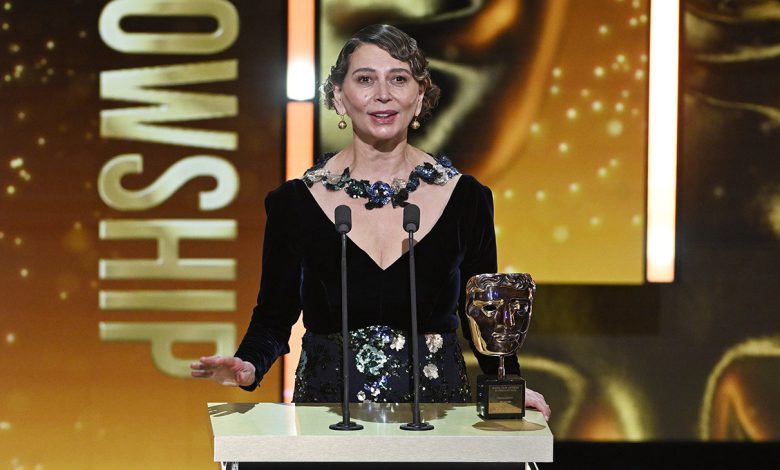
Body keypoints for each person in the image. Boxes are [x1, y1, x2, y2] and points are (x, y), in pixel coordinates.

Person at [191, 24, 550, 420]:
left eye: (399, 79)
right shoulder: (294, 204)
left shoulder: (466, 199)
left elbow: (483, 315)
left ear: (420, 96)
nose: (383, 94)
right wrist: (248, 365)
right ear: (338, 98)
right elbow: (274, 317)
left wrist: (509, 382)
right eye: (365, 79)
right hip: (327, 419)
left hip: (436, 418)